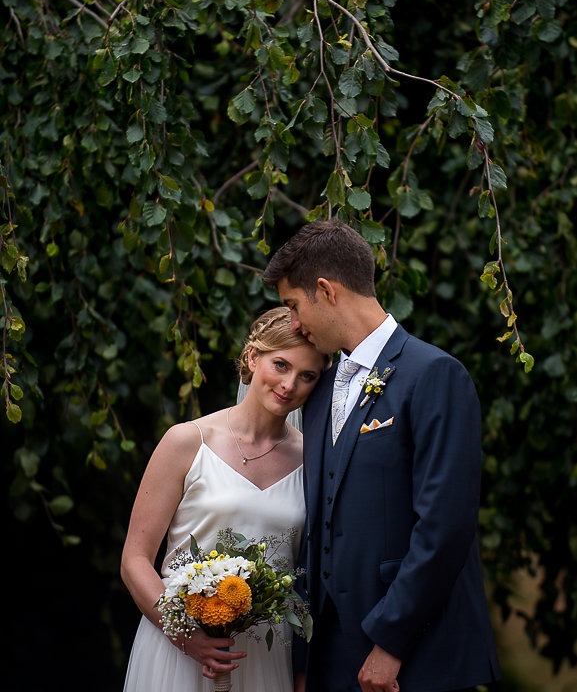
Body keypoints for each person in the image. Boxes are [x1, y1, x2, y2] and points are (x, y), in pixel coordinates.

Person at [262, 220, 501, 692]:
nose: (293, 325)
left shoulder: (434, 375)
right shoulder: (320, 390)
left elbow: (445, 526)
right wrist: (306, 657)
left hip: (412, 659)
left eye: (293, 306)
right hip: (331, 660)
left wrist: (392, 642)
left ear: (326, 291)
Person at [121, 306, 329, 692]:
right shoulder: (187, 441)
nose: (289, 385)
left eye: (307, 376)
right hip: (178, 647)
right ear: (253, 357)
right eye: (280, 365)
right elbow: (134, 559)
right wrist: (187, 636)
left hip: (266, 652)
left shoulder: (315, 460)